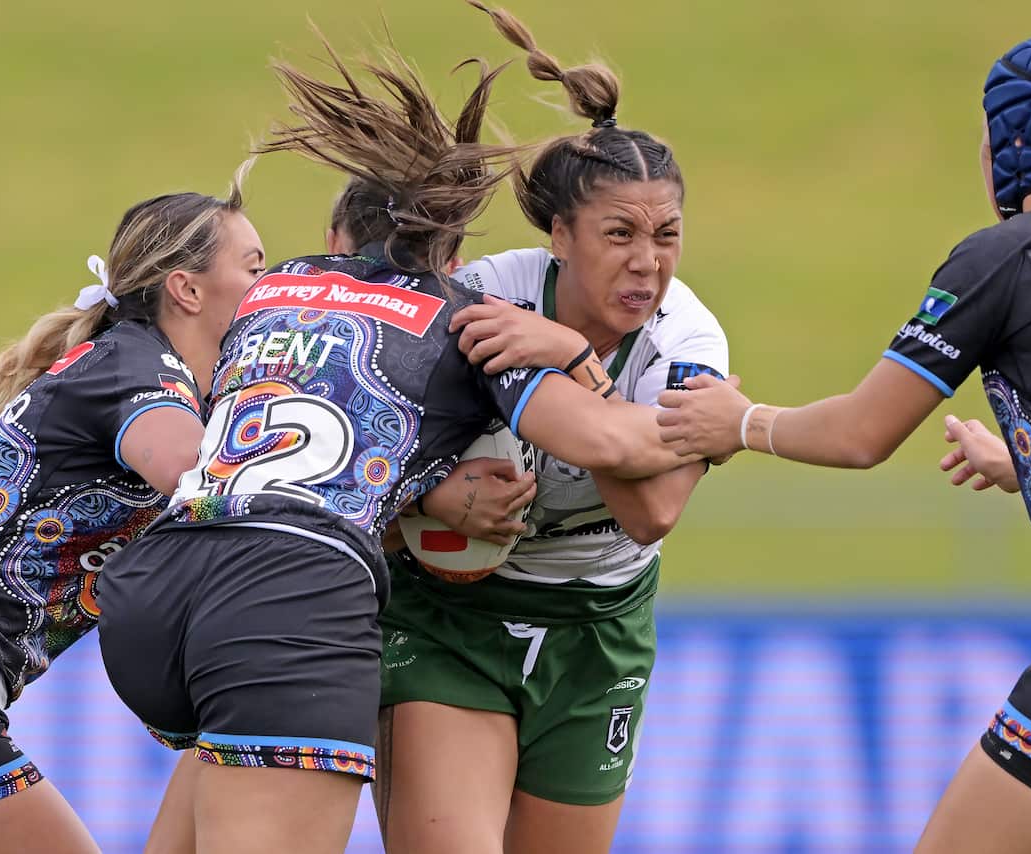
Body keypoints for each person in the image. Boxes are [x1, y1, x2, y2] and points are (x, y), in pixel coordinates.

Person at [656, 34, 1031, 854]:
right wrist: (1025, 462)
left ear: (1012, 144)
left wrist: (737, 420)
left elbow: (860, 434)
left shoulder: (1007, 254)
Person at [95, 35, 705, 854]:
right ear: (453, 254)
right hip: (292, 596)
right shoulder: (466, 320)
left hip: (160, 589)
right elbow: (605, 439)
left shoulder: (273, 287)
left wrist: (425, 488)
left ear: (336, 233)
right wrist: (703, 411)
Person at [370, 5, 728, 853]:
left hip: (600, 626)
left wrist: (575, 362)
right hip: (451, 618)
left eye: (667, 235)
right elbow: (375, 441)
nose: (648, 261)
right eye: (620, 234)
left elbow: (654, 514)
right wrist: (445, 497)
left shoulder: (689, 339)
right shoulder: (487, 296)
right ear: (560, 235)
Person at [0, 180, 265, 853]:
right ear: (187, 290)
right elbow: (194, 474)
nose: (272, 290)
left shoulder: (134, 362)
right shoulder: (142, 367)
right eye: (256, 268)